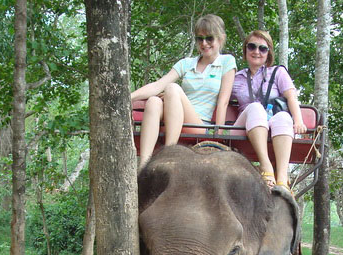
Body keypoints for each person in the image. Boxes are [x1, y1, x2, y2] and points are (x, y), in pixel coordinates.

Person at [130, 14, 236, 169]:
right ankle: (144, 164)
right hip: (173, 119)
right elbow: (158, 85)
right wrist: (127, 98)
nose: (204, 43)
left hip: (199, 125)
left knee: (172, 88)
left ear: (220, 38)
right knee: (153, 101)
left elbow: (223, 101)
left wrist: (217, 136)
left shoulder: (227, 61)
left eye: (209, 38)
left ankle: (169, 153)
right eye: (200, 39)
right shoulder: (186, 63)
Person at [230, 30, 307, 189]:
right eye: (252, 47)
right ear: (245, 50)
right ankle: (266, 166)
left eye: (262, 48)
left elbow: (291, 97)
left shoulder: (278, 72)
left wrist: (298, 121)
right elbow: (221, 100)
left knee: (284, 117)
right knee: (256, 108)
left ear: (268, 52)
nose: (256, 52)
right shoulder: (236, 77)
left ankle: (282, 177)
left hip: (271, 122)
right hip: (244, 125)